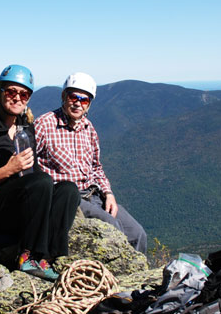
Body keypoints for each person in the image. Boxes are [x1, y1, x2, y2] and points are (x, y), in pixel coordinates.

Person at [0, 64, 80, 281]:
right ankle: (27, 257)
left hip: (18, 202)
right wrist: (8, 169)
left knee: (68, 190)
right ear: (0, 92)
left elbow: (31, 173)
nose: (17, 98)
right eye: (11, 92)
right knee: (42, 181)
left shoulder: (26, 129)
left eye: (23, 94)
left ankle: (50, 255)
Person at [34, 72, 148, 253]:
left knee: (138, 233)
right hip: (68, 197)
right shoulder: (45, 124)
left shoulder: (89, 129)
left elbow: (96, 167)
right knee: (113, 228)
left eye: (84, 100)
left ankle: (136, 277)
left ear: (89, 104)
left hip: (95, 194)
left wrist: (108, 193)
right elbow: (27, 163)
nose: (78, 103)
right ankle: (114, 277)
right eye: (73, 97)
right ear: (64, 97)